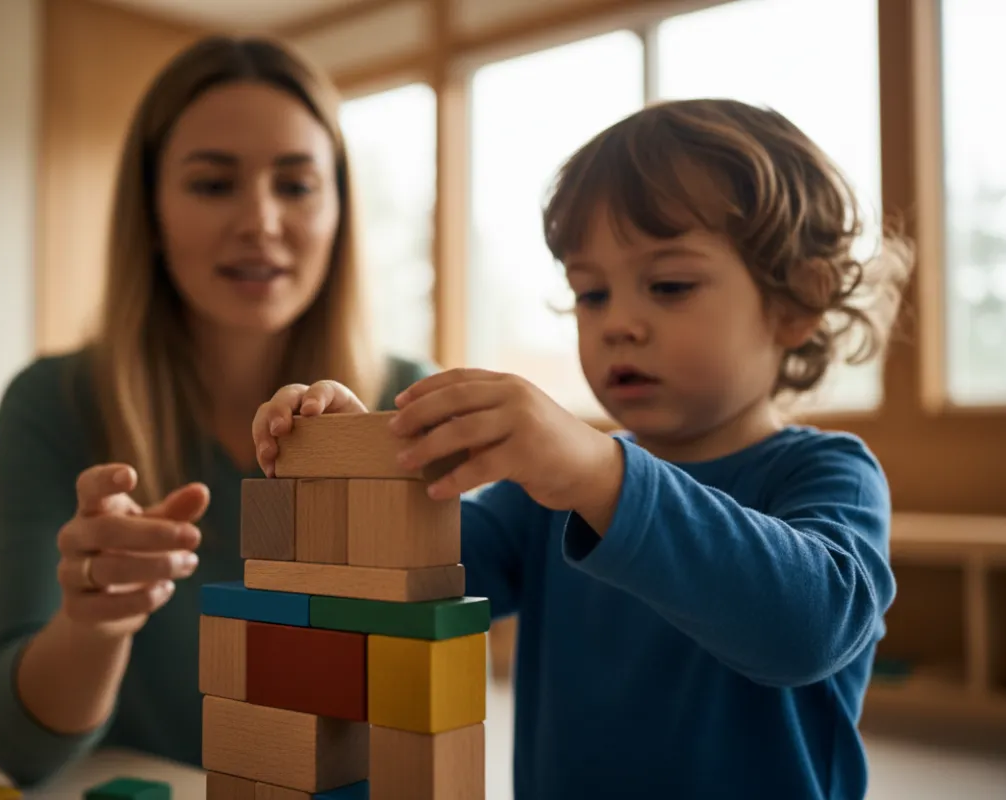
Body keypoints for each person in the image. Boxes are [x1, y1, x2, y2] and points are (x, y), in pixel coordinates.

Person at [254, 98, 914, 800]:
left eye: (669, 285)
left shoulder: (825, 472)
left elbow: (808, 631)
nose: (618, 324)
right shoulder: (549, 496)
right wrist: (360, 467)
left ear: (796, 304)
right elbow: (418, 570)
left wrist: (602, 474)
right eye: (590, 293)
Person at [0, 35, 436, 786]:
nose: (260, 221)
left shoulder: (411, 406)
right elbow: (19, 750)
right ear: (151, 212)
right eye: (214, 185)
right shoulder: (52, 404)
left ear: (341, 210)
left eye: (296, 185)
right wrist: (94, 622)